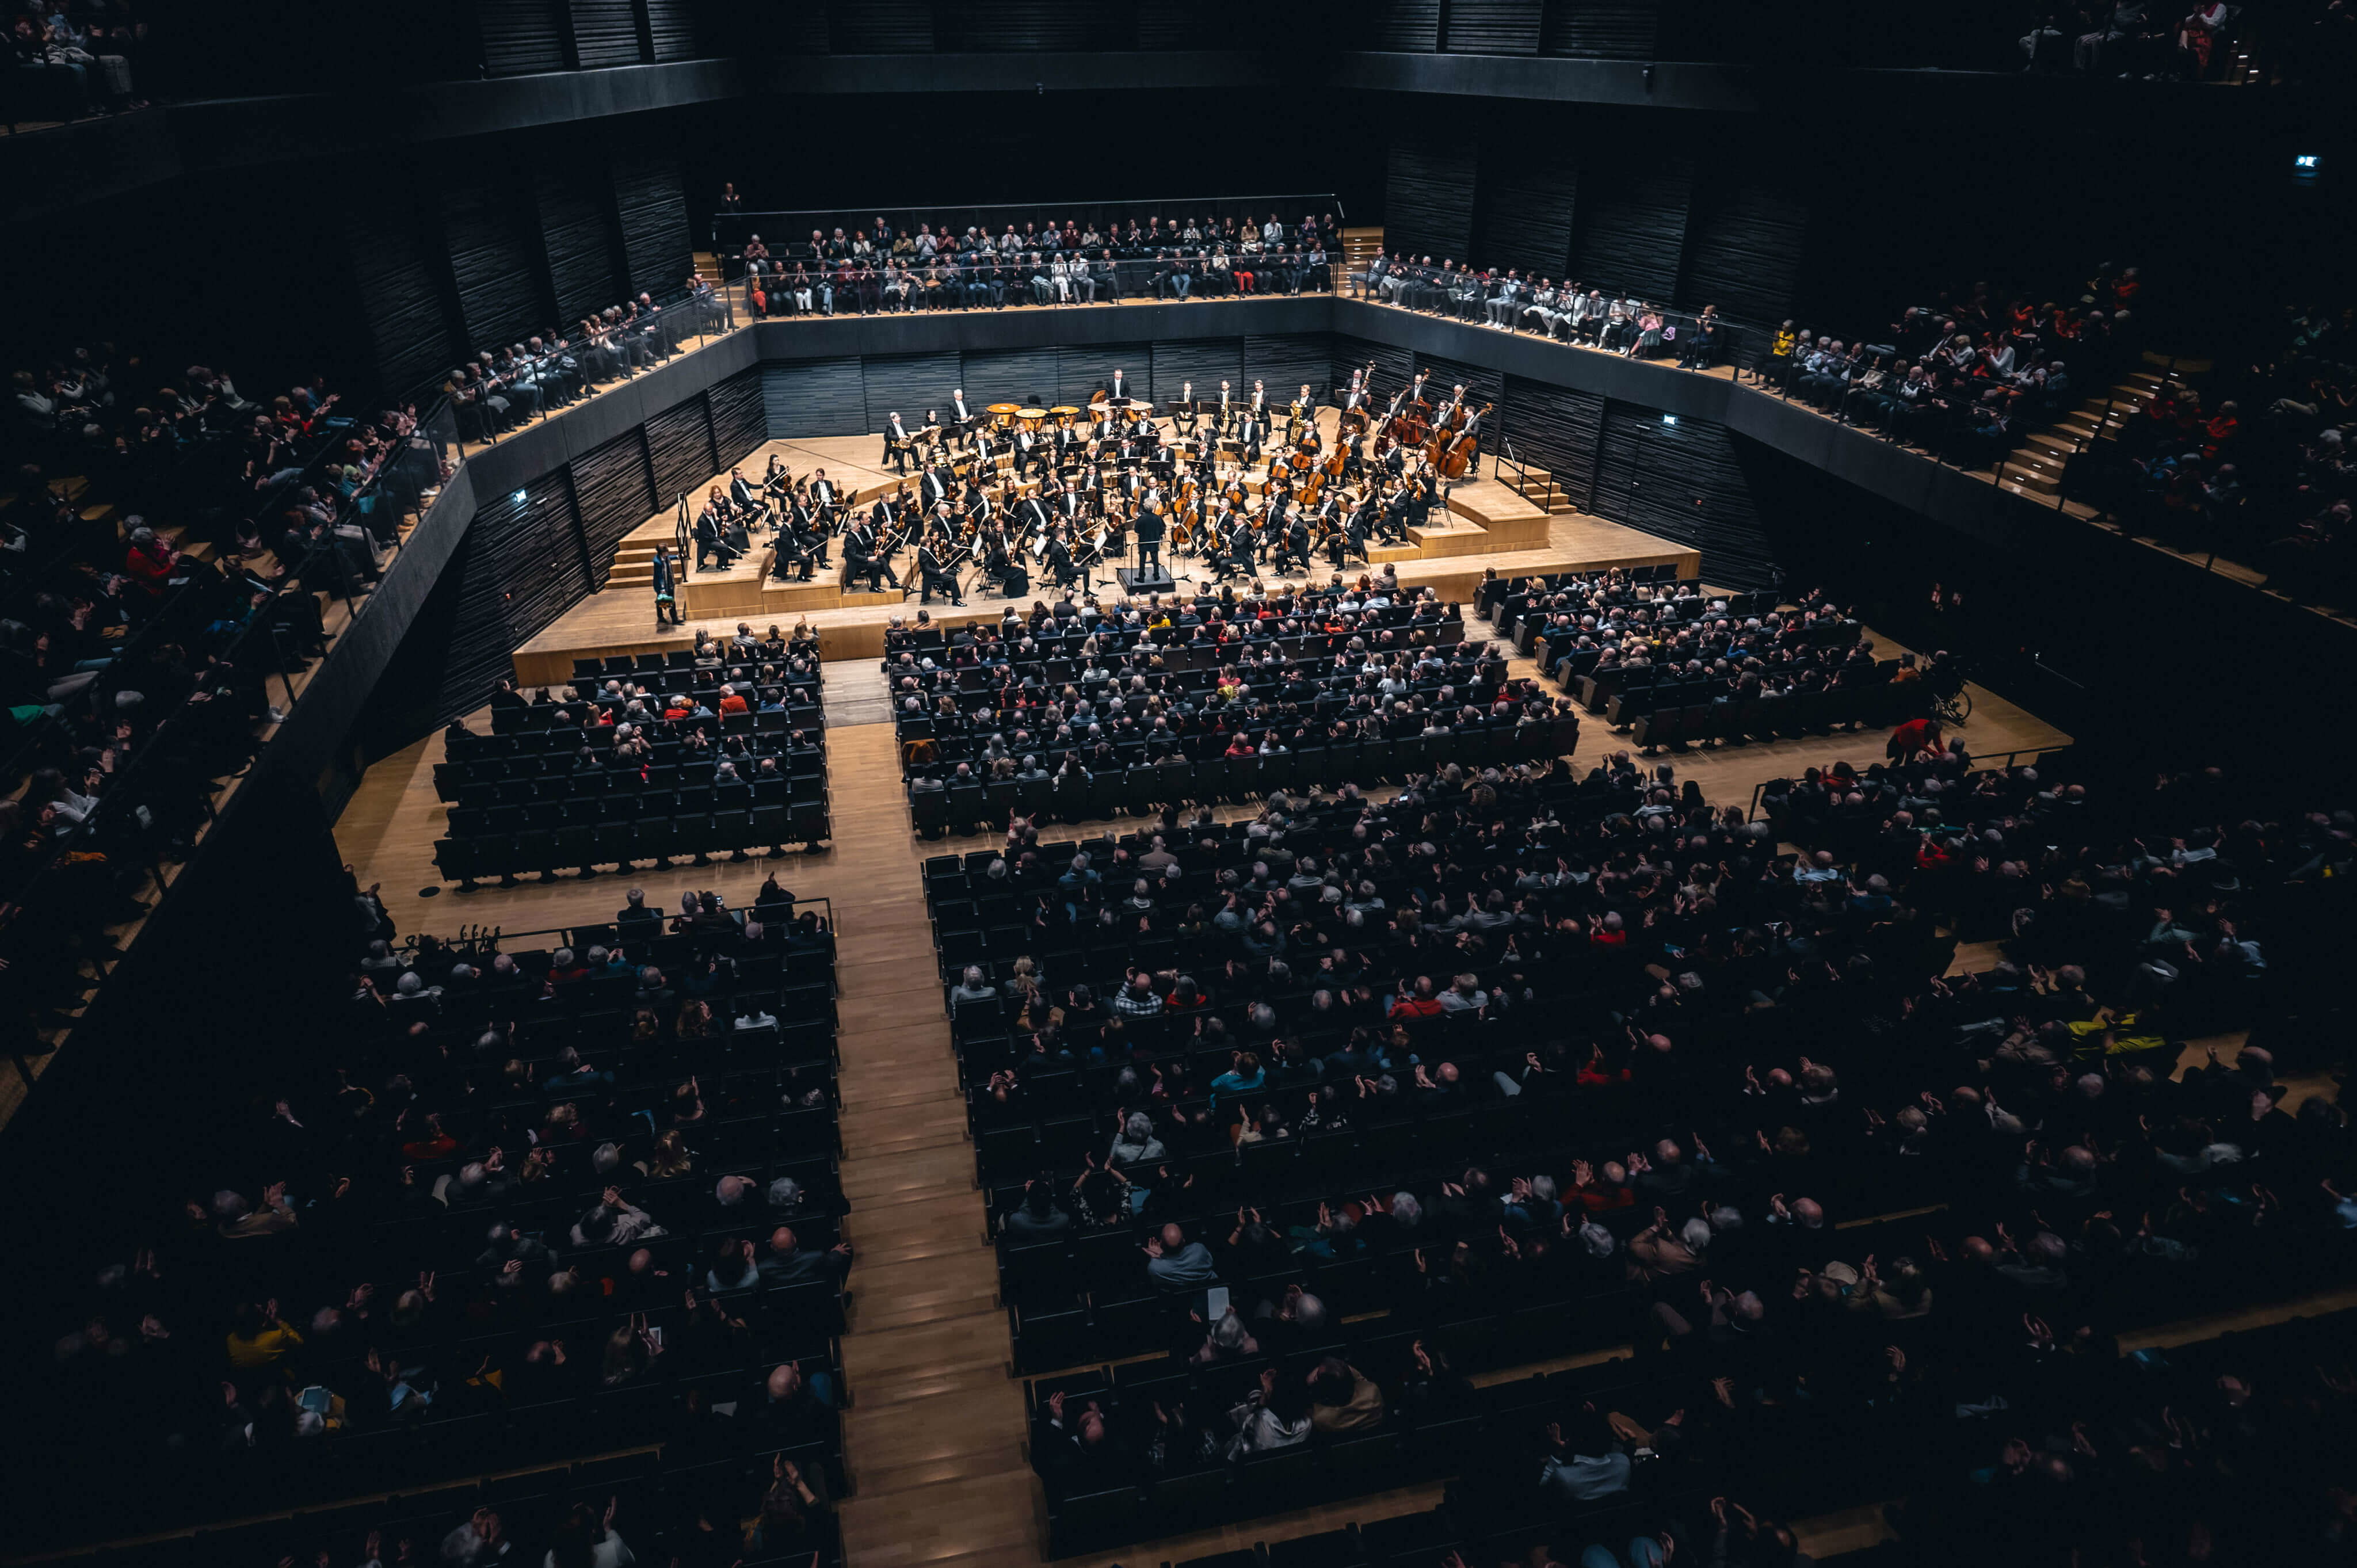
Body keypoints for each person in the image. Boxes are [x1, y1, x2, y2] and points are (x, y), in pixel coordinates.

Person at [650, 545, 682, 626]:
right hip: (661, 585)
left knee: (672, 601)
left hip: (670, 583)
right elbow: (660, 576)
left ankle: (675, 619)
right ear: (661, 553)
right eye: (665, 552)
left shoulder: (665, 557)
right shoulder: (657, 562)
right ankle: (660, 617)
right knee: (662, 601)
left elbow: (669, 557)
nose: (667, 553)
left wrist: (677, 557)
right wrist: (662, 588)